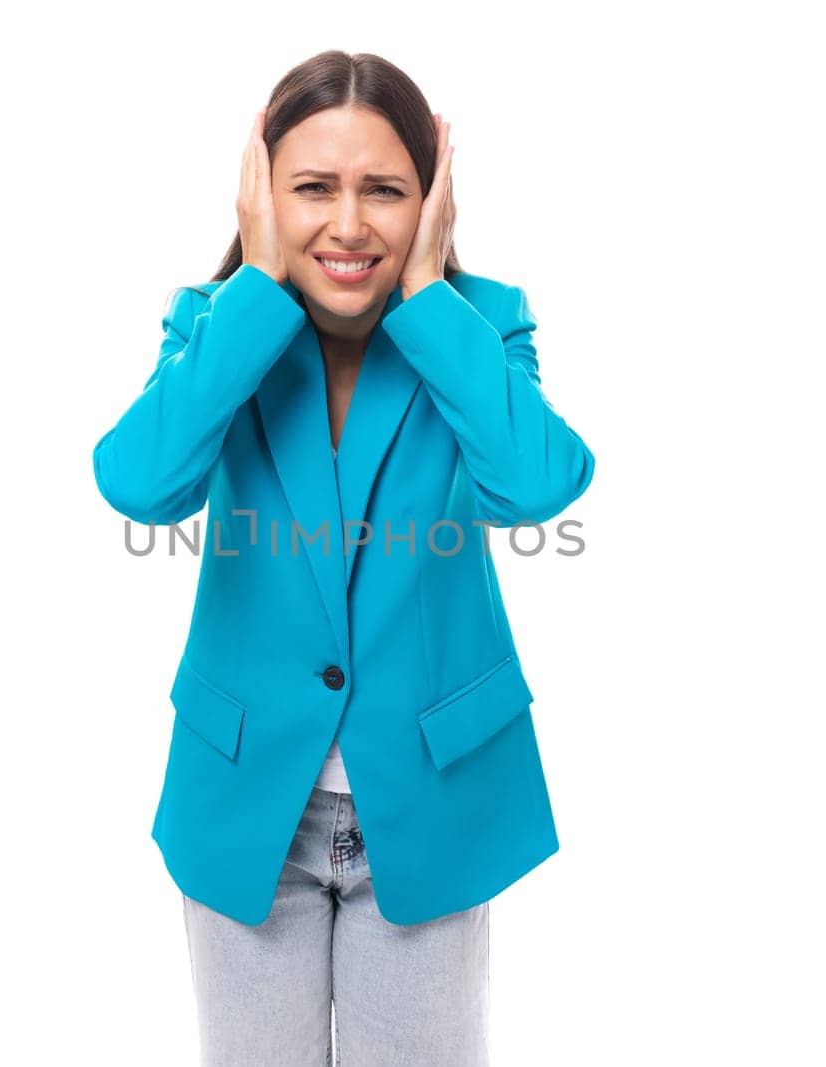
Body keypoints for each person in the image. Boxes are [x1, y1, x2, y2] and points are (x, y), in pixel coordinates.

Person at [92, 49, 596, 1066]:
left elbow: (537, 483)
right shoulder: (218, 327)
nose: (350, 224)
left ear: (433, 202)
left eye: (386, 190)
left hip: (428, 796)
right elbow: (140, 482)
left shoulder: (476, 325)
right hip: (249, 804)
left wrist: (425, 291)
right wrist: (257, 282)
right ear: (260, 193)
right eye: (311, 189)